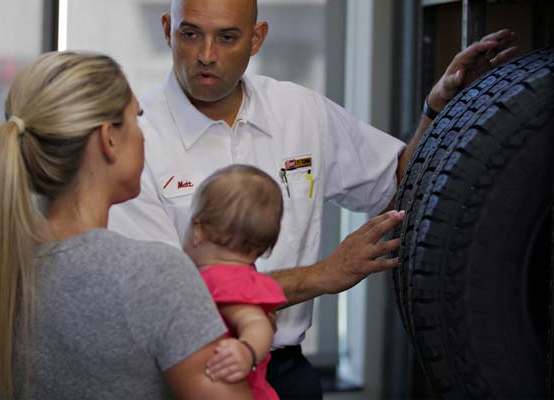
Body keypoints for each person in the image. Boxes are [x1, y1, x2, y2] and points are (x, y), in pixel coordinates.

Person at [106, 0, 519, 397]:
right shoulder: (135, 138)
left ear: (256, 38)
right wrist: (324, 274)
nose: (207, 55)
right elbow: (165, 296)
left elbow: (396, 182)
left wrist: (438, 112)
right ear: (168, 30)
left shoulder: (298, 110)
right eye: (191, 34)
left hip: (286, 373)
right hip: (186, 376)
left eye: (227, 37)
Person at [0, 51, 253, 399]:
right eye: (136, 118)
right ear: (108, 139)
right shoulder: (151, 273)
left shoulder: (10, 271)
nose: (143, 136)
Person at [183, 165, 288, 400]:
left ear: (198, 230)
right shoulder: (242, 277)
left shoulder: (222, 279)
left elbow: (256, 323)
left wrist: (247, 351)